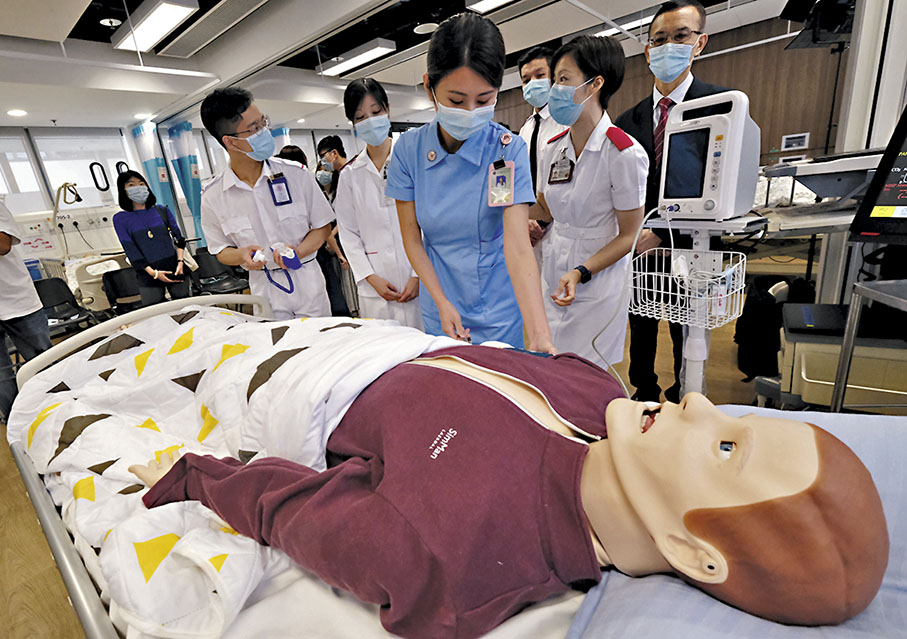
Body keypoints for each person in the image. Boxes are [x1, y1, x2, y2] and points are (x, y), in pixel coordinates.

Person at [130, 342, 888, 638]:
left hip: (296, 380)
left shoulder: (445, 555)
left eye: (725, 445)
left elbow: (288, 505)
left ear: (693, 551)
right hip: (396, 338)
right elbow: (544, 360)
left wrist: (193, 473)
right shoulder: (605, 399)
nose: (695, 403)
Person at [386, 12, 554, 352]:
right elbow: (413, 240)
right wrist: (440, 301)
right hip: (439, 303)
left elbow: (518, 247)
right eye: (456, 101)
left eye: (484, 100)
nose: (470, 111)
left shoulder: (505, 152)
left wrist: (539, 335)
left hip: (497, 307)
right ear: (429, 87)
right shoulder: (409, 151)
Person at [615, 0, 729, 402]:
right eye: (659, 39)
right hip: (638, 248)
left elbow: (722, 188)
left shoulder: (722, 107)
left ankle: (687, 395)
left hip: (692, 243)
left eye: (680, 36)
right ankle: (643, 391)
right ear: (647, 51)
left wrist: (664, 233)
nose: (668, 46)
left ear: (700, 43)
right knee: (641, 323)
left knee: (690, 327)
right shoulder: (628, 121)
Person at [532, 36, 647, 369]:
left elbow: (628, 236)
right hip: (553, 271)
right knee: (548, 363)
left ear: (595, 84)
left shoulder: (623, 153)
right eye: (555, 80)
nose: (555, 89)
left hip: (596, 278)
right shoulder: (553, 148)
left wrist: (582, 271)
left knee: (585, 373)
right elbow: (547, 206)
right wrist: (504, 210)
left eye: (564, 79)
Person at [199, 87, 334, 320]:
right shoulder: (214, 196)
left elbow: (322, 226)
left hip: (307, 279)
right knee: (281, 351)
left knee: (323, 349)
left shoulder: (296, 174)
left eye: (263, 123)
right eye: (254, 129)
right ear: (231, 142)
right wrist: (241, 256)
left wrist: (298, 252)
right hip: (264, 288)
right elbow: (220, 250)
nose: (263, 132)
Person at [333, 78, 421, 328]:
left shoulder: (412, 161)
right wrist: (370, 277)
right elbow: (349, 234)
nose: (370, 121)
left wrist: (419, 275)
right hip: (376, 286)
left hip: (418, 278)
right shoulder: (350, 175)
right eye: (360, 117)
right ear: (353, 124)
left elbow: (427, 221)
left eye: (376, 112)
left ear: (388, 110)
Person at [0, 199, 51, 422]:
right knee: (1, 375)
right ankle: (18, 421)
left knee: (41, 361)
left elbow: (3, 245)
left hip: (17, 299)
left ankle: (56, 408)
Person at [517, 46, 568, 258]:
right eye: (526, 80)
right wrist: (526, 219)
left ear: (554, 78)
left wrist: (541, 219)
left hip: (560, 225)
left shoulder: (567, 123)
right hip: (528, 229)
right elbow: (522, 180)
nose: (532, 84)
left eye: (540, 76)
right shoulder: (525, 129)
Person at [112, 170, 191, 306]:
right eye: (131, 185)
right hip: (147, 273)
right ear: (123, 190)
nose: (138, 187)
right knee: (155, 312)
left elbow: (179, 240)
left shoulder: (162, 210)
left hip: (175, 267)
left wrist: (180, 263)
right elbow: (131, 250)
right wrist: (153, 273)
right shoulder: (120, 219)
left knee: (186, 307)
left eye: (141, 184)